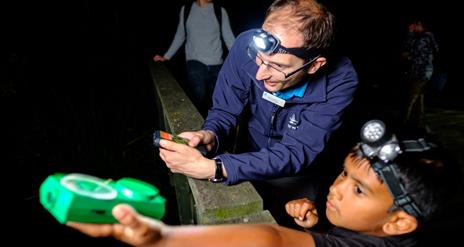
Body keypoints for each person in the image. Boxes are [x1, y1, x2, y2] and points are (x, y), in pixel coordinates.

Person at [67, 120, 454, 247]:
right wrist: (318, 224)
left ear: (399, 223)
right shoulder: (381, 232)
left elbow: (272, 239)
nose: (335, 188)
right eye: (343, 174)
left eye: (357, 190)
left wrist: (165, 237)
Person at [157, 0, 358, 223]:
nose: (260, 74)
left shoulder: (340, 80)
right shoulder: (245, 45)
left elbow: (296, 151)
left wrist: (217, 168)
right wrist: (209, 134)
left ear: (314, 65)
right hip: (246, 154)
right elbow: (224, 109)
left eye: (278, 66)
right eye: (259, 58)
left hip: (297, 177)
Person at [153, 0, 236, 117]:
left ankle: (211, 127)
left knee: (216, 101)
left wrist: (243, 59)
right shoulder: (186, 10)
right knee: (199, 94)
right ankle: (196, 123)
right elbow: (180, 35)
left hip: (216, 64)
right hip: (195, 61)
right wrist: (166, 56)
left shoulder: (219, 11)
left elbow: (229, 37)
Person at [400, 16, 439, 133]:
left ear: (419, 24)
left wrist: (410, 34)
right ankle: (419, 124)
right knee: (418, 99)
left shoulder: (425, 37)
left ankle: (402, 124)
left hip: (421, 73)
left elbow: (410, 49)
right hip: (423, 72)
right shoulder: (427, 37)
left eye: (414, 25)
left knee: (410, 98)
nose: (413, 27)